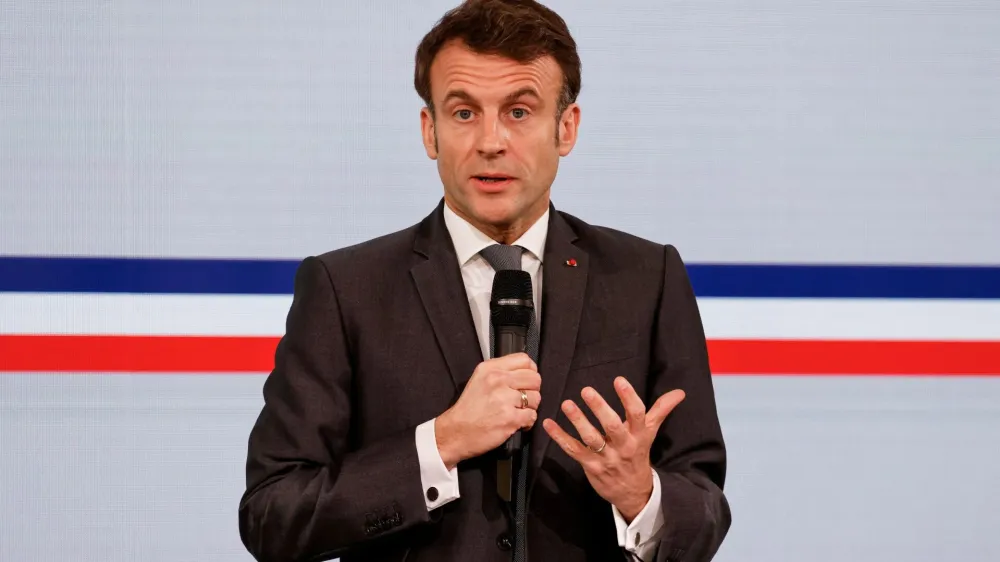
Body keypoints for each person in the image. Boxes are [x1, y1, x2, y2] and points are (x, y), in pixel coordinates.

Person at [238, 1, 731, 561]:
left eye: (519, 112)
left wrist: (641, 496)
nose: (491, 141)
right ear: (431, 131)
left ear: (565, 127)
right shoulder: (346, 288)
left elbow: (705, 502)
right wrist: (440, 444)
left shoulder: (646, 278)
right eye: (465, 113)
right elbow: (272, 516)